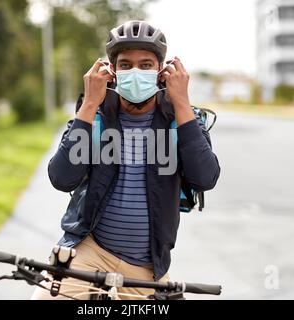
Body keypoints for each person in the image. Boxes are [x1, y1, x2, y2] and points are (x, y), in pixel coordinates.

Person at [31, 20, 220, 300]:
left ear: (161, 73)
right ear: (112, 72)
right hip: (88, 254)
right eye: (125, 64)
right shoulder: (94, 116)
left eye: (145, 65)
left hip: (147, 270)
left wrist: (181, 102)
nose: (135, 72)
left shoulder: (181, 120)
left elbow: (205, 178)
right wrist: (89, 104)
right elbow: (62, 179)